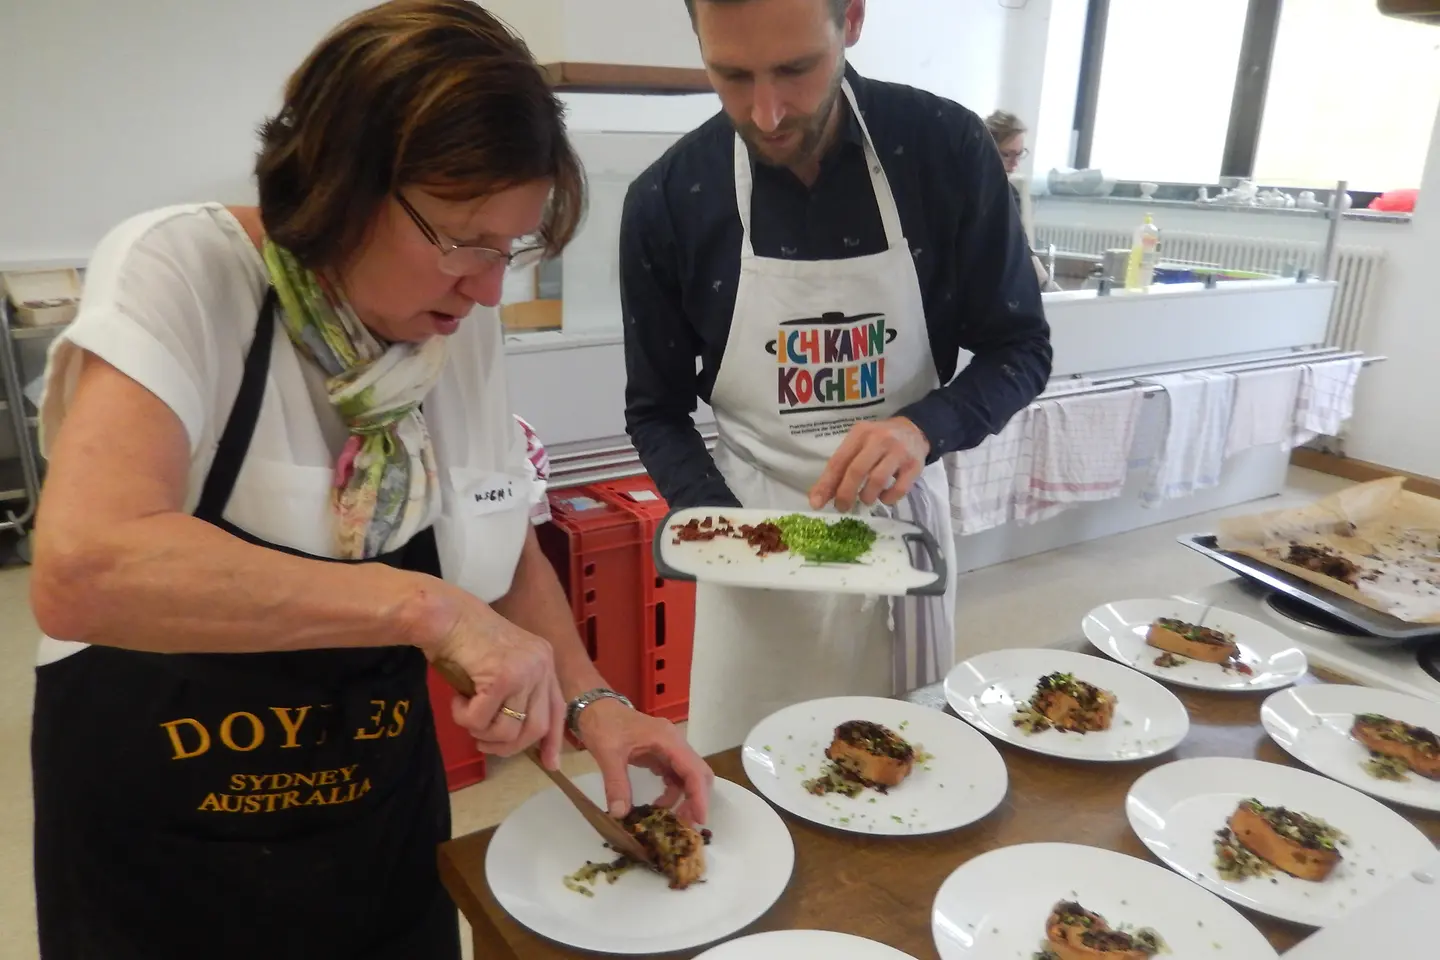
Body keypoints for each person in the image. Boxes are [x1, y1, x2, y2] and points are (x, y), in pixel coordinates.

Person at [27, 2, 711, 957]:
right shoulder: (185, 272)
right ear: (342, 184)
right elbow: (83, 569)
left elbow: (497, 537)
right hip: (174, 852)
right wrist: (426, 611)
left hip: (379, 829)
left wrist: (595, 700)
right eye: (464, 239)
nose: (486, 290)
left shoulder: (454, 330)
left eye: (507, 250)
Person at [620, 0, 1052, 756]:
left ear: (850, 20)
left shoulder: (943, 151)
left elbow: (1021, 348)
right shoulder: (669, 197)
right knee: (752, 780)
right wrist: (727, 530)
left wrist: (924, 428)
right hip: (753, 543)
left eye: (794, 70)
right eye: (730, 75)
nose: (767, 111)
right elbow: (655, 410)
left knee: (898, 774)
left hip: (898, 536)